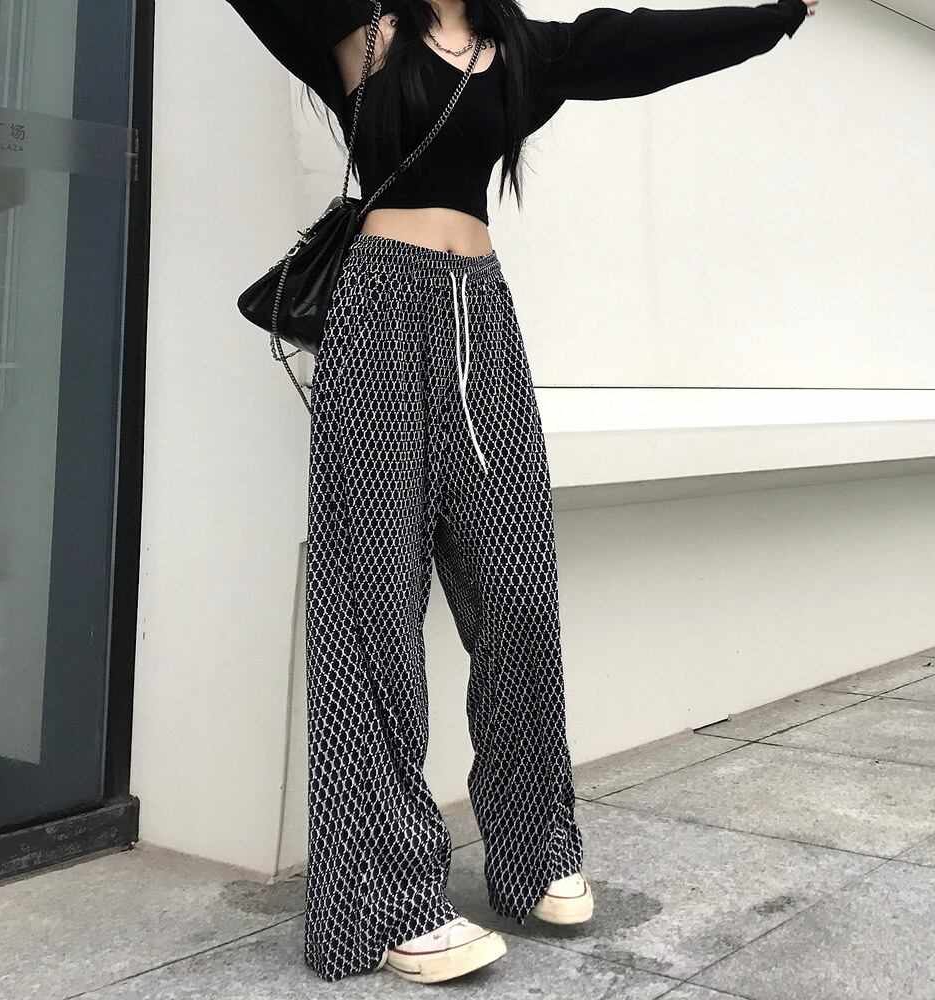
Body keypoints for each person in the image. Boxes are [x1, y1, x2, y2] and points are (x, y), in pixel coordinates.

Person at [224, 0, 817, 984]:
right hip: (378, 315)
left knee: (519, 592)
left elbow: (646, 46)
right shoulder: (361, 32)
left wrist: (779, 15)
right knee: (371, 606)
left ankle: (534, 847)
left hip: (483, 319)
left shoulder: (522, 52)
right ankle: (387, 898)